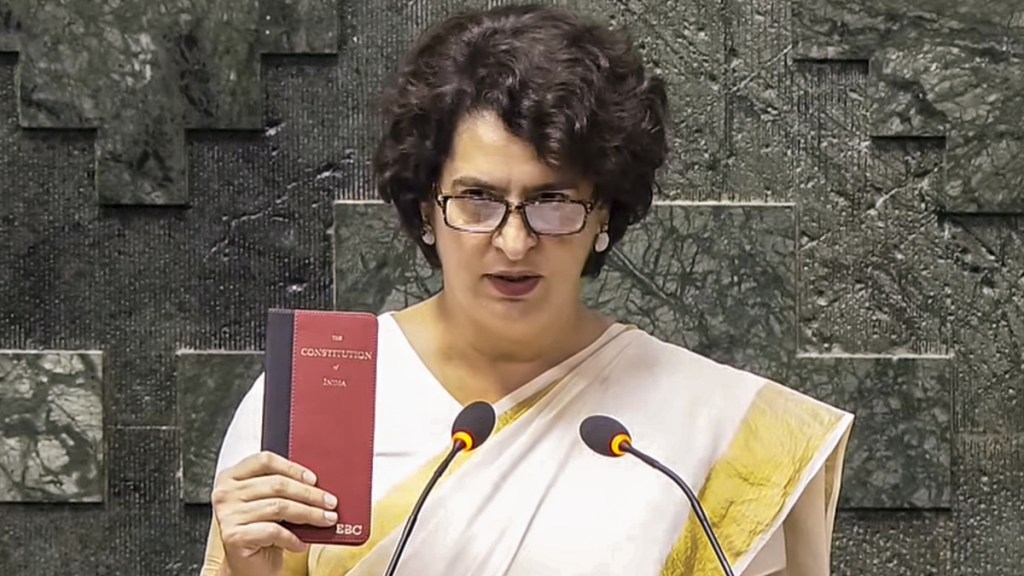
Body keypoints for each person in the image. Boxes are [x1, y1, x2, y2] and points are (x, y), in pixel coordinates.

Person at [199, 4, 854, 576]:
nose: (514, 243)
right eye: (478, 199)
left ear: (604, 213)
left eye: (553, 202)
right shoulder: (323, 395)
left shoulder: (717, 433)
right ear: (426, 206)